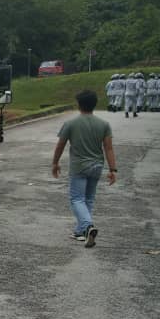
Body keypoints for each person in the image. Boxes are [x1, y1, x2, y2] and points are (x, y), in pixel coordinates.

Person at [52, 90, 118, 248]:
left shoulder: (71, 124)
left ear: (79, 105)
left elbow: (60, 145)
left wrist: (55, 163)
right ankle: (81, 232)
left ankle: (88, 226)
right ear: (94, 105)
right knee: (88, 199)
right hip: (97, 166)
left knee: (77, 199)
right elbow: (109, 148)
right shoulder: (104, 124)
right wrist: (112, 170)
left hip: (79, 167)